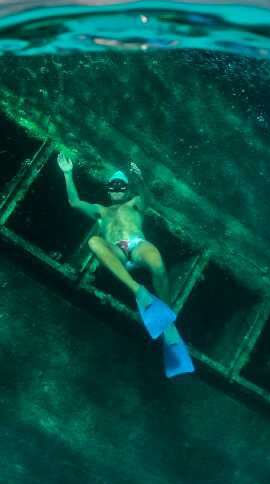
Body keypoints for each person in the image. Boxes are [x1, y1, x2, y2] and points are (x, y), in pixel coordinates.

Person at [56, 152, 193, 377]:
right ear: (108, 189)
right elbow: (74, 202)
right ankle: (138, 290)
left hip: (137, 246)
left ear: (126, 188)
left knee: (157, 262)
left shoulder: (134, 203)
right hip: (116, 251)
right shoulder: (100, 211)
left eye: (121, 185)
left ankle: (166, 320)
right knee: (93, 241)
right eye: (113, 185)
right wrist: (68, 173)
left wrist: (139, 180)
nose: (117, 188)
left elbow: (148, 199)